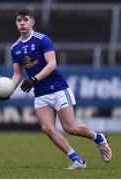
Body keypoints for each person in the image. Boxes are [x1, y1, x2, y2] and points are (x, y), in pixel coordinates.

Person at [9, 9, 112, 169]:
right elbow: (16, 74)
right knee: (47, 128)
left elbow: (52, 64)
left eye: (25, 19)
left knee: (69, 128)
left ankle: (98, 138)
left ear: (32, 22)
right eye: (19, 20)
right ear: (16, 23)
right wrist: (9, 90)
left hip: (58, 88)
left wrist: (34, 79)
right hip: (41, 93)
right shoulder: (14, 48)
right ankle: (78, 160)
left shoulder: (42, 39)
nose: (22, 23)